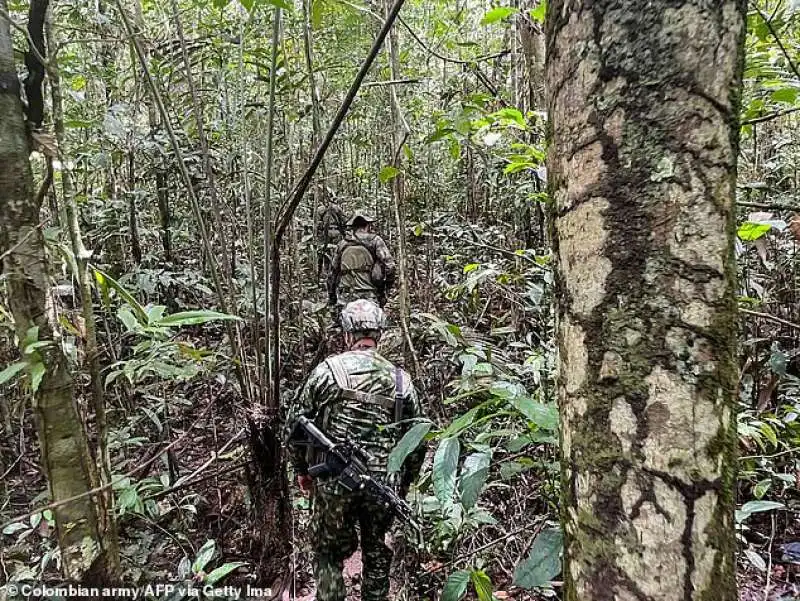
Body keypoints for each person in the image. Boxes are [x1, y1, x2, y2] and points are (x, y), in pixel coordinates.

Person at [286, 299, 425, 601]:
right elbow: (416, 439)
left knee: (327, 551)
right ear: (380, 334)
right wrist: (405, 482)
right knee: (377, 555)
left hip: (335, 484)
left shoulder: (326, 372)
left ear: (347, 334)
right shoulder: (402, 381)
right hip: (383, 485)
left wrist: (301, 472)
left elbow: (294, 426)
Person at [327, 212, 396, 313]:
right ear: (368, 226)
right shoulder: (375, 241)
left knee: (344, 323)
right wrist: (386, 287)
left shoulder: (342, 244)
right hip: (370, 294)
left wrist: (332, 297)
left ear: (353, 227)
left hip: (346, 295)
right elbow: (390, 267)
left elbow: (332, 274)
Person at [315, 203, 348, 280]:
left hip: (327, 233)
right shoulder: (337, 208)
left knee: (326, 254)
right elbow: (344, 221)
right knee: (337, 253)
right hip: (336, 232)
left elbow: (317, 224)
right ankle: (335, 273)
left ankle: (328, 273)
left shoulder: (320, 209)